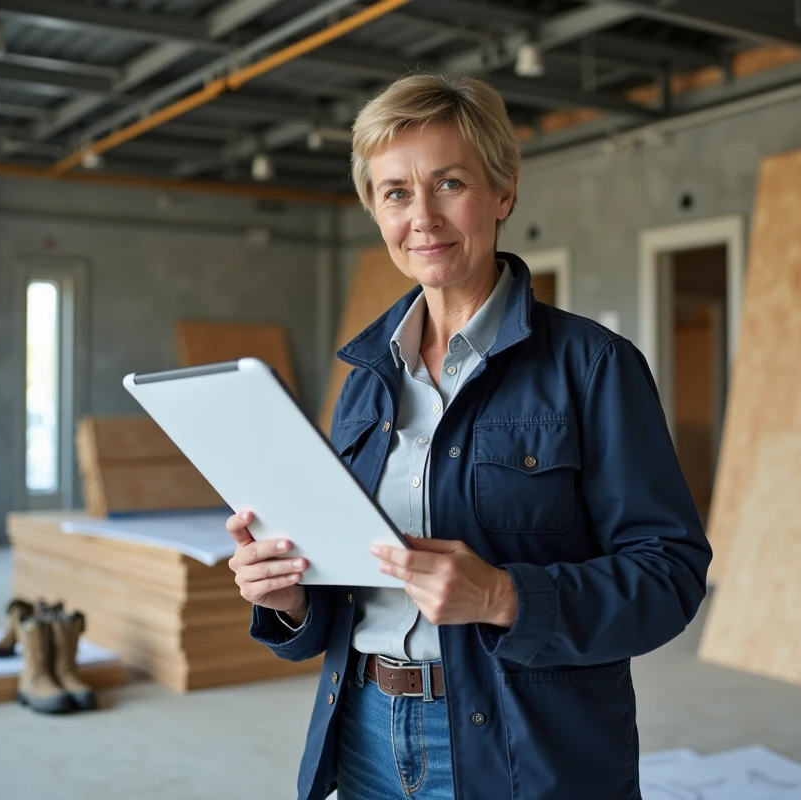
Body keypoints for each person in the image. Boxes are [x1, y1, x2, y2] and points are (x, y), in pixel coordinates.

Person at [225, 70, 712, 800]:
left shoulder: (594, 367)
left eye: (449, 183)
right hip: (363, 734)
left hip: (525, 746)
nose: (422, 217)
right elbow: (351, 587)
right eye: (395, 193)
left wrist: (506, 596)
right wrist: (286, 597)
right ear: (375, 210)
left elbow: (670, 577)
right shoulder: (366, 378)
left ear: (503, 192)